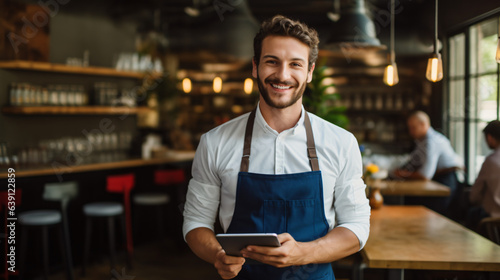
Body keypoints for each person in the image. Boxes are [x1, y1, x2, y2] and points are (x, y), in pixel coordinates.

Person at [182, 15, 370, 280]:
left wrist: (303, 253)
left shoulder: (340, 142)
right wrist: (217, 255)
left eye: (295, 64)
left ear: (310, 72)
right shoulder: (215, 142)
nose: (282, 75)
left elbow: (357, 226)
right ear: (255, 66)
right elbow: (195, 222)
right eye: (272, 62)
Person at [392, 111, 462, 215]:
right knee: (410, 202)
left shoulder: (431, 141)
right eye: (410, 128)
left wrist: (402, 174)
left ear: (423, 125)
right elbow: (413, 162)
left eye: (413, 128)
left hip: (446, 181)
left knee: (425, 213)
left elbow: (425, 175)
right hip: (439, 178)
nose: (410, 132)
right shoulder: (422, 141)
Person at [468, 120, 500, 227]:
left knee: (471, 214)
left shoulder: (491, 161)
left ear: (489, 137)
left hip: (494, 220)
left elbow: (474, 196)